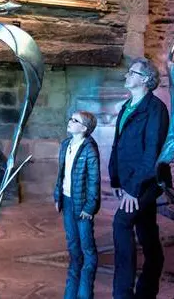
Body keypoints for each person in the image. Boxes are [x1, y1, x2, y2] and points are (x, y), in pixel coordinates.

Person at [109, 58, 169, 299]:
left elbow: (152, 152)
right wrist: (116, 179)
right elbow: (118, 145)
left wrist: (133, 189)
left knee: (121, 223)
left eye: (132, 72)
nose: (127, 75)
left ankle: (122, 292)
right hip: (130, 180)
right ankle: (154, 264)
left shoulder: (156, 109)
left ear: (145, 79)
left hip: (148, 181)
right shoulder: (127, 106)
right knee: (145, 227)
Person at [53, 110, 101, 299]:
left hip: (82, 203)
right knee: (72, 239)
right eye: (71, 118)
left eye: (75, 120)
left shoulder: (89, 149)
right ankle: (75, 268)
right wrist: (58, 196)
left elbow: (94, 180)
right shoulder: (66, 145)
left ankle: (87, 280)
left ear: (84, 128)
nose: (70, 121)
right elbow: (61, 174)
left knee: (86, 242)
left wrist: (90, 207)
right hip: (67, 199)